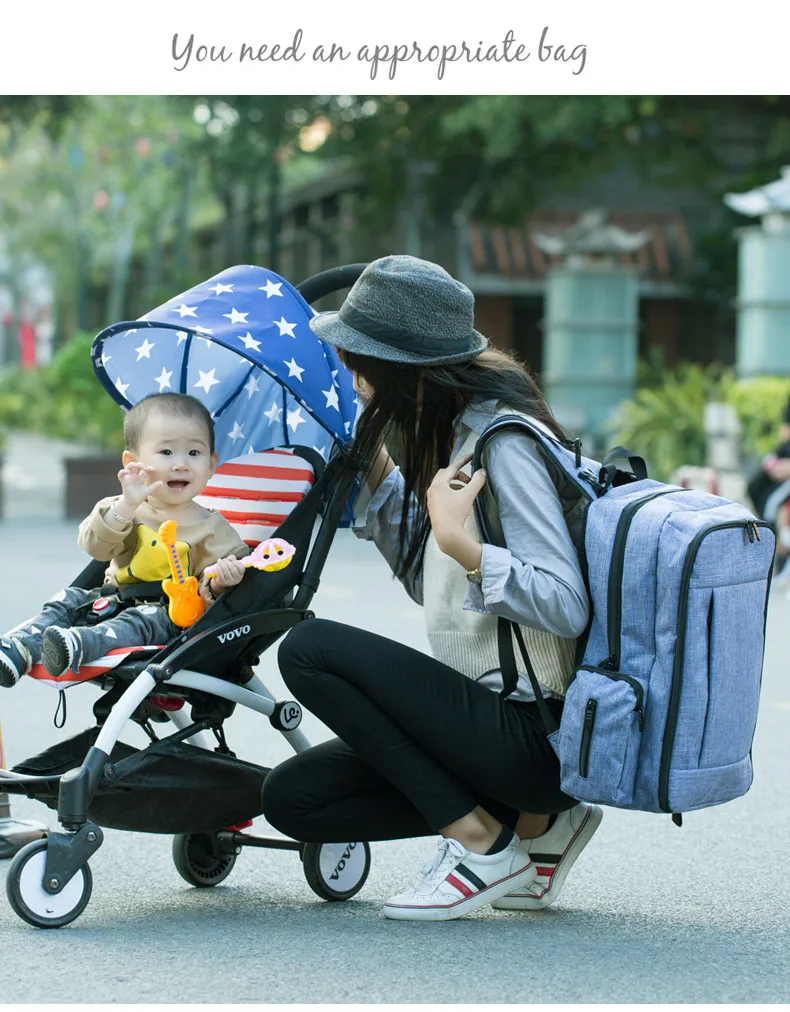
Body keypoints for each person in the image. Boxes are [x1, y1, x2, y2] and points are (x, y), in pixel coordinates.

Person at [261, 255, 602, 922]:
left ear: (405, 368)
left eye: (360, 359)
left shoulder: (504, 444)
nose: (353, 374)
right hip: (486, 723)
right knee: (295, 801)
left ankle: (482, 846)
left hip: (535, 733)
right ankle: (536, 827)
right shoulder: (448, 434)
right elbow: (438, 590)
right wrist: (382, 476)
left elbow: (565, 603)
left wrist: (463, 546)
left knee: (310, 649)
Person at [0, 392, 250, 686]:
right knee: (70, 598)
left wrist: (220, 580)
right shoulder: (123, 508)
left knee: (138, 622)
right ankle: (19, 648)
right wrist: (126, 506)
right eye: (166, 453)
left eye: (194, 453)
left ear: (211, 464)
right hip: (112, 598)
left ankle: (77, 645)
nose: (181, 464)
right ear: (133, 462)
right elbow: (96, 546)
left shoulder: (212, 528)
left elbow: (226, 580)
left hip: (164, 617)